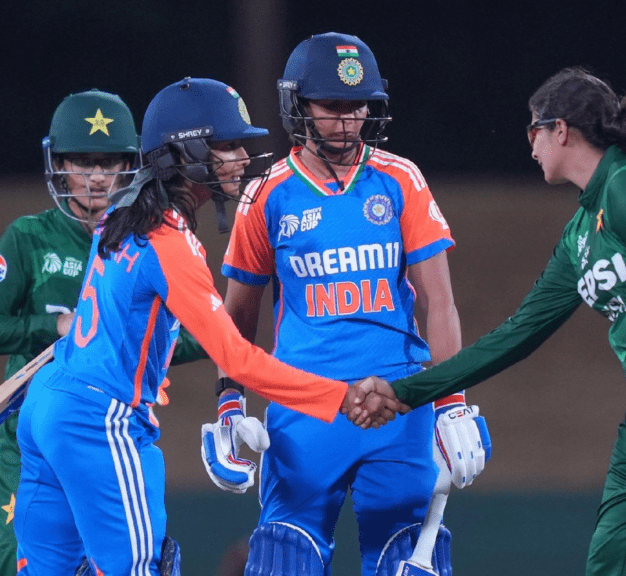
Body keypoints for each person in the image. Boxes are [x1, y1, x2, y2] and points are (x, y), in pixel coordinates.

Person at [360, 67, 626, 575]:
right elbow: (518, 334)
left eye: (531, 130)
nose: (528, 145)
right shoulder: (582, 230)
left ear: (560, 129)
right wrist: (408, 392)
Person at [11, 77, 400, 576]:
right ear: (185, 152)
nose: (241, 157)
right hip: (99, 421)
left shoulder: (120, 212)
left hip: (49, 401)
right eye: (227, 146)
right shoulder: (170, 240)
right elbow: (236, 356)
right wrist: (339, 396)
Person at [212, 32, 489, 576]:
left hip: (401, 402)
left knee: (406, 558)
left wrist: (451, 398)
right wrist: (228, 405)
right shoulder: (266, 192)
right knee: (282, 557)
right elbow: (236, 319)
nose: (349, 120)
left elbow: (440, 302)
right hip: (303, 402)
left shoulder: (401, 178)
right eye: (334, 106)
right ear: (299, 105)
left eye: (359, 106)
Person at [0, 88, 146, 576]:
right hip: (27, 437)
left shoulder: (145, 246)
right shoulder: (28, 238)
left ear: (130, 167)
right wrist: (57, 326)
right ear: (58, 165)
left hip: (108, 436)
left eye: (109, 163)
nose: (97, 177)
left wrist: (127, 335)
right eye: (82, 162)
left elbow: (187, 340)